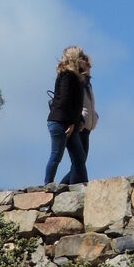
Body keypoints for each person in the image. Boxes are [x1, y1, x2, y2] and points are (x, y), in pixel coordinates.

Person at [44, 46, 90, 185]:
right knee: (57, 154)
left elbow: (75, 104)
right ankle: (48, 185)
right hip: (60, 122)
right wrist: (71, 122)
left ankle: (82, 186)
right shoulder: (67, 75)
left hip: (69, 123)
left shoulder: (75, 77)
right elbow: (65, 100)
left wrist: (77, 121)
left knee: (79, 157)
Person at [60, 59, 98, 184]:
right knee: (79, 161)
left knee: (79, 162)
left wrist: (94, 116)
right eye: (88, 66)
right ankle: (73, 188)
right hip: (78, 126)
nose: (89, 69)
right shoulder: (78, 82)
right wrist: (79, 118)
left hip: (87, 128)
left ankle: (62, 187)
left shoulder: (88, 84)